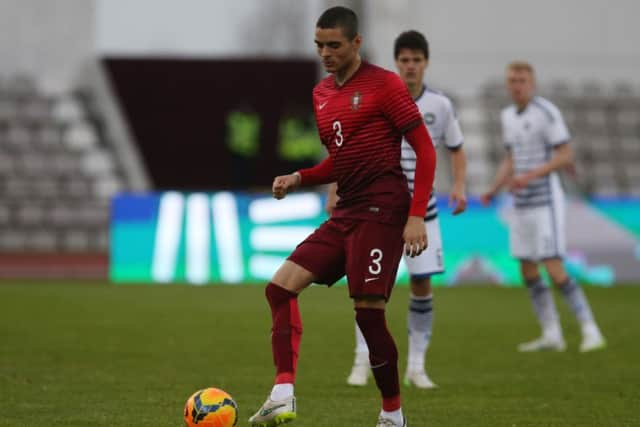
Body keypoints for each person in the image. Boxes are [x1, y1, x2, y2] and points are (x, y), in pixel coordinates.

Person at [248, 6, 437, 427]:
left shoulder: (385, 85)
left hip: (383, 210)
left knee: (368, 312)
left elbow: (425, 149)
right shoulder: (322, 94)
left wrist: (416, 216)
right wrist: (300, 177)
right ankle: (282, 394)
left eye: (333, 45)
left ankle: (393, 416)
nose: (325, 53)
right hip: (347, 211)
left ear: (356, 43)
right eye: (319, 45)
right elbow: (342, 159)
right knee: (280, 288)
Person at [328, 30, 467, 390]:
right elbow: (348, 151)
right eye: (404, 60)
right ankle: (361, 361)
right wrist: (334, 188)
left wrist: (459, 185)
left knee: (422, 285)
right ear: (396, 63)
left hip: (423, 214)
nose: (410, 66)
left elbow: (456, 146)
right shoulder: (375, 99)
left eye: (416, 60)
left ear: (426, 63)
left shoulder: (440, 105)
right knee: (367, 290)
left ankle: (417, 366)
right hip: (377, 210)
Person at [480, 61, 606, 353]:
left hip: (546, 201)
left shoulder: (546, 113)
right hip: (521, 204)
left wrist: (530, 176)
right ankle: (552, 333)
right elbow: (511, 159)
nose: (517, 85)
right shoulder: (508, 116)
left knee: (554, 267)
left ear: (532, 83)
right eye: (512, 80)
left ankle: (590, 328)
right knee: (527, 269)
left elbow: (566, 155)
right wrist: (493, 188)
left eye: (522, 80)